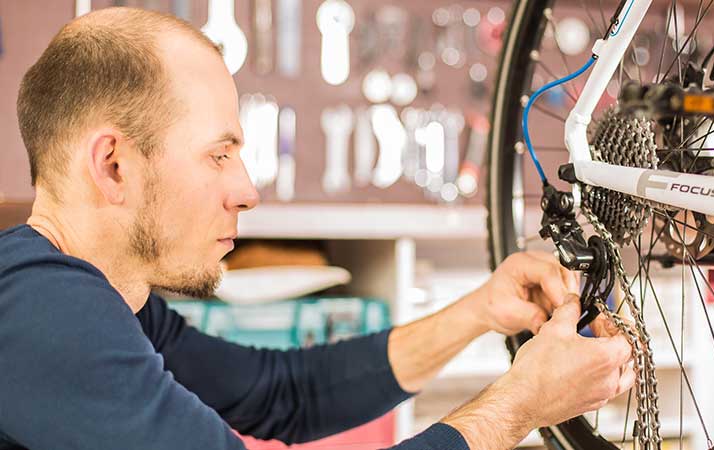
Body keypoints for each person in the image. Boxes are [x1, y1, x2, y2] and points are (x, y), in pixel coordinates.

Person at [0, 7, 633, 450]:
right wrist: (520, 403)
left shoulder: (103, 300)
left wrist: (477, 311)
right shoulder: (42, 314)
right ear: (113, 165)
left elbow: (286, 396)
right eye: (219, 154)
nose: (247, 190)